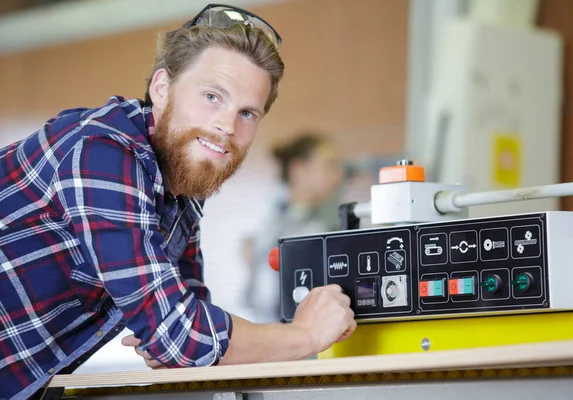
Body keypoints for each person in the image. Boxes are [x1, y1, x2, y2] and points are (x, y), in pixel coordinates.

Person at [0, 4, 356, 399]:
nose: (227, 126)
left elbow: (187, 321)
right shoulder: (101, 154)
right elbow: (178, 335)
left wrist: (183, 336)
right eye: (212, 96)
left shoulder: (181, 190)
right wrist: (304, 335)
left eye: (248, 113)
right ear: (161, 89)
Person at [243, 133, 345, 323]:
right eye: (329, 166)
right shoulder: (293, 231)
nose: (337, 176)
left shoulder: (274, 225)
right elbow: (266, 299)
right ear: (298, 170)